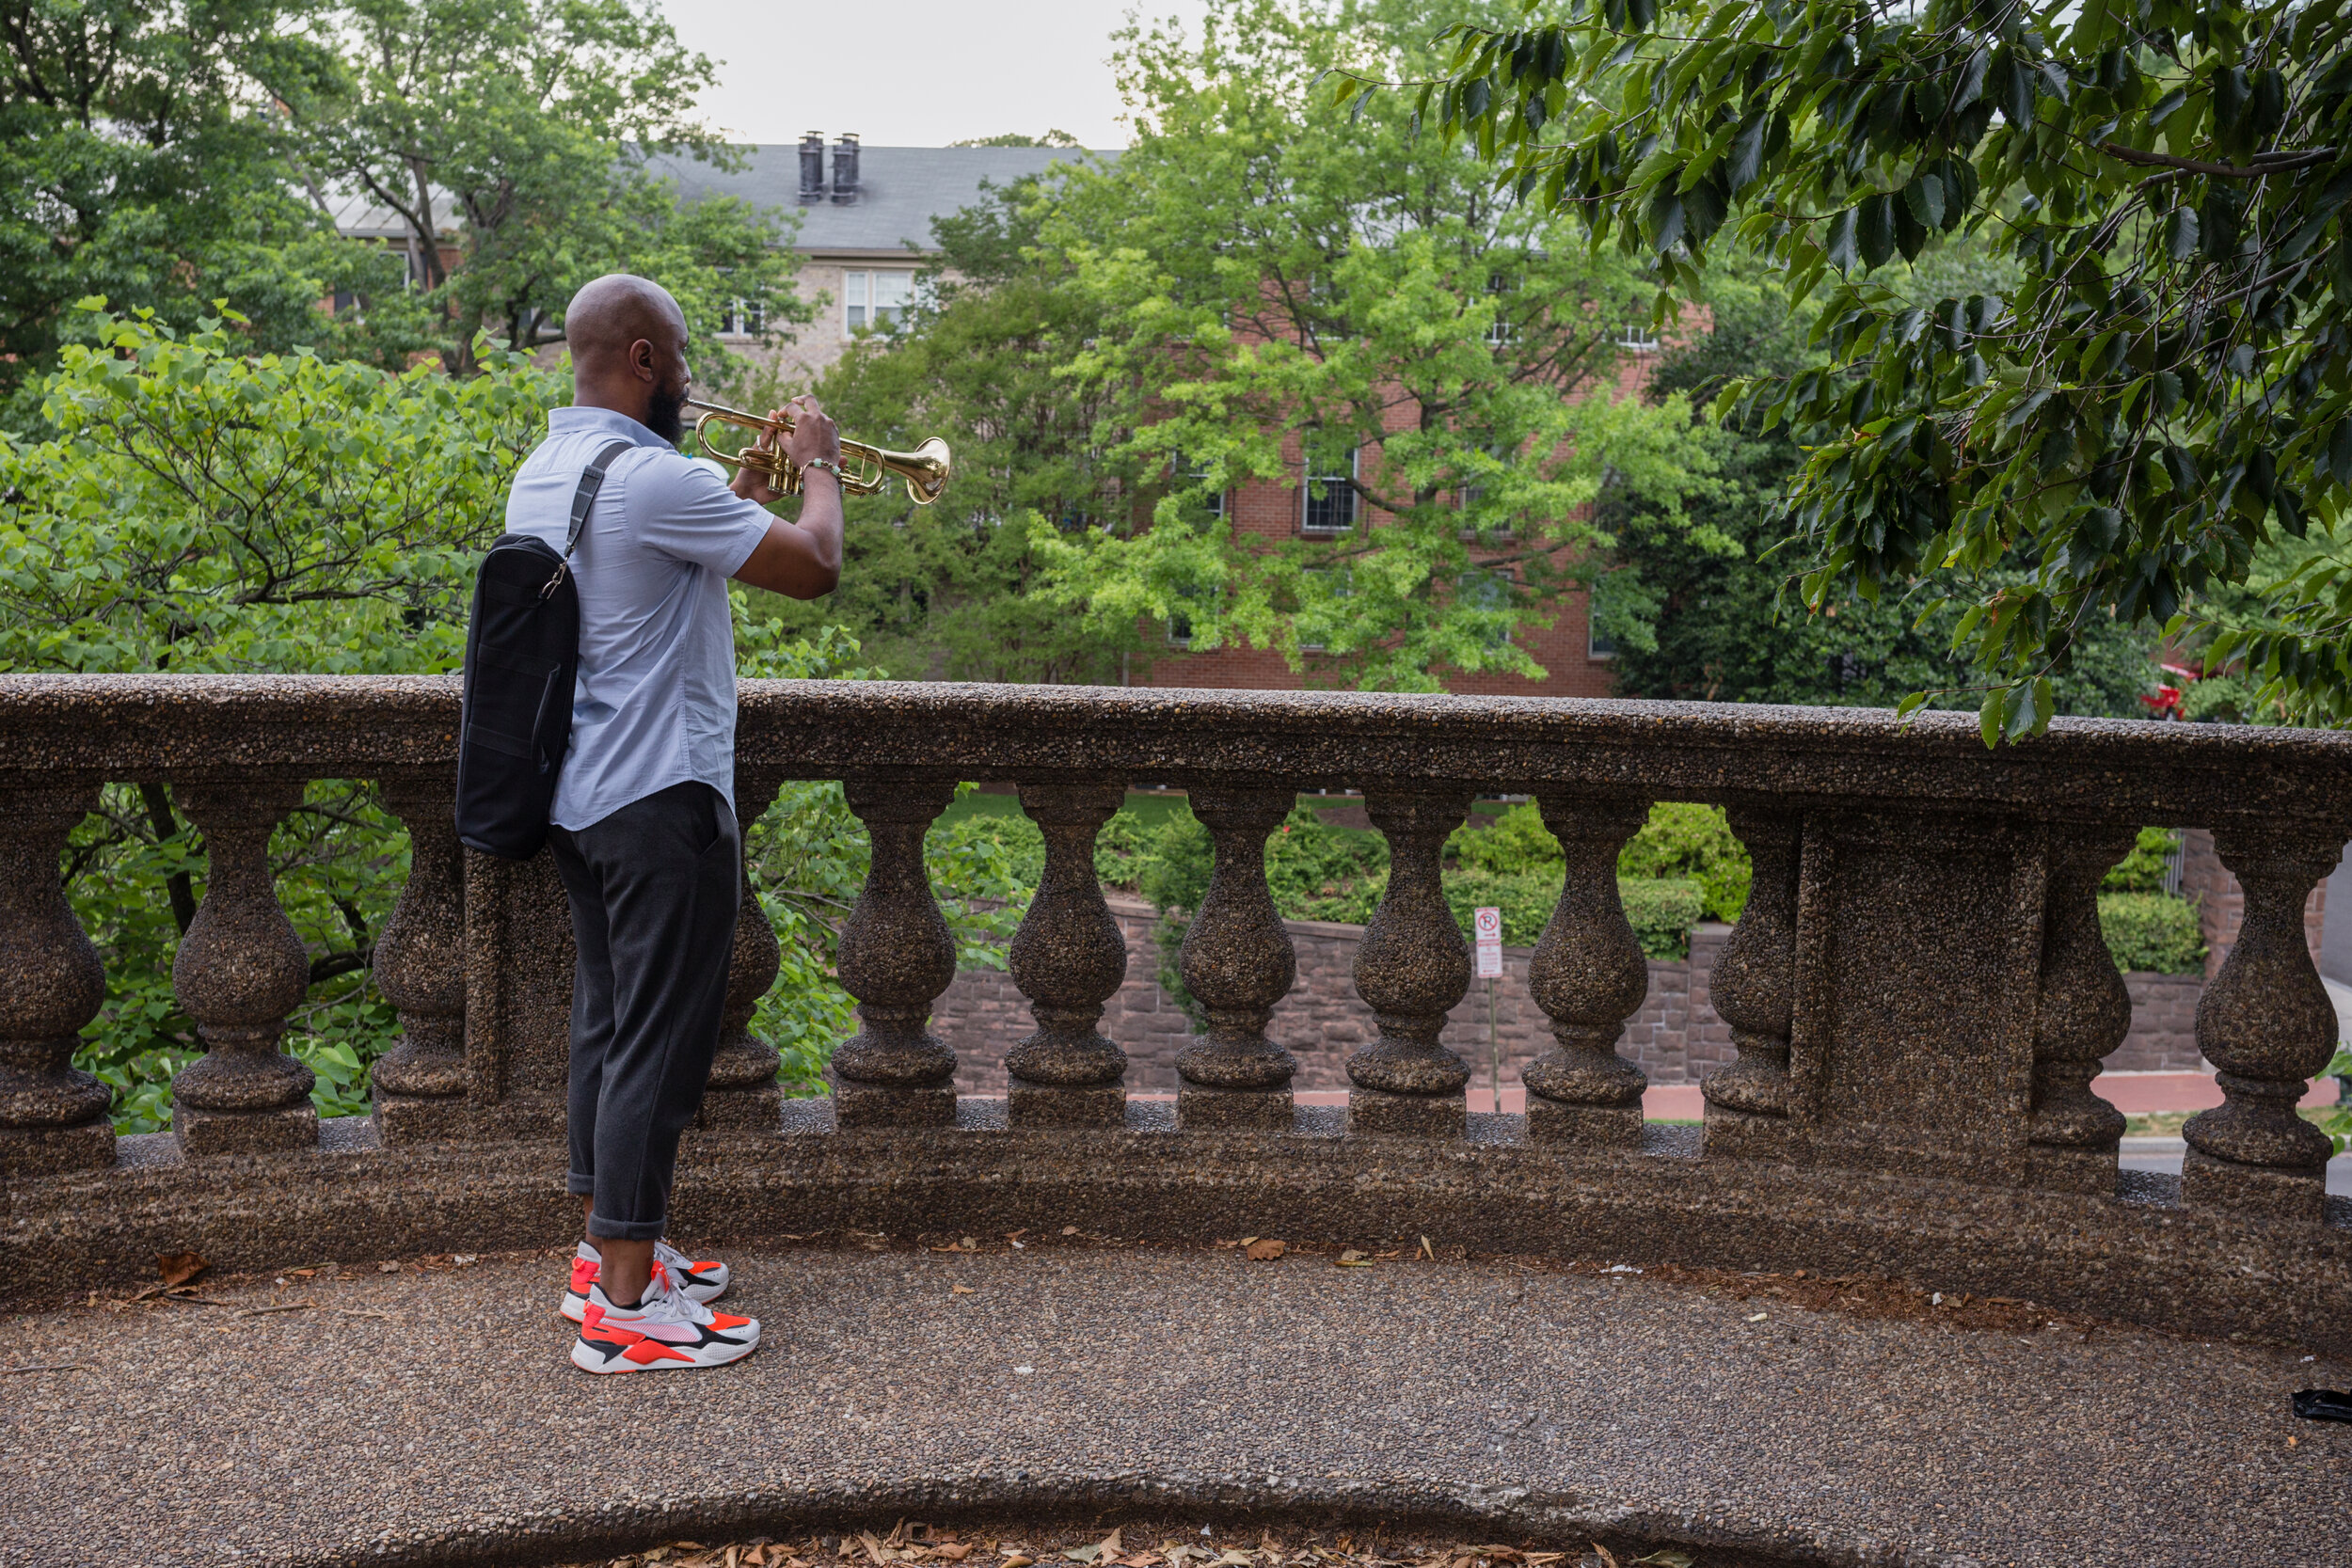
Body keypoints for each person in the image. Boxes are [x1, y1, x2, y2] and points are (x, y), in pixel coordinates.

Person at [501, 273, 843, 1373]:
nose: (693, 378)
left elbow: (664, 555)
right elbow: (814, 565)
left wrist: (745, 479)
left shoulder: (551, 469)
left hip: (579, 797)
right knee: (652, 1041)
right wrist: (824, 464)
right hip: (661, 799)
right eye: (683, 354)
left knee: (608, 1025)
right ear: (643, 358)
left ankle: (605, 1257)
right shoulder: (651, 479)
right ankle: (627, 1313)